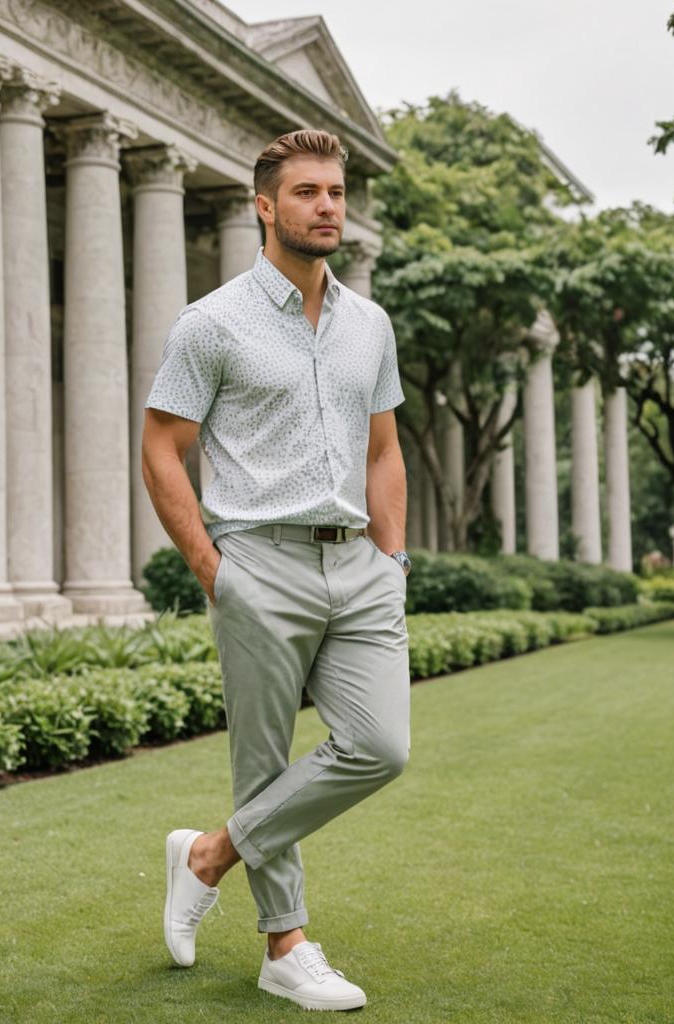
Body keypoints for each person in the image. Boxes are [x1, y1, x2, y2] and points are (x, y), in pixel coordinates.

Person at [141, 128, 412, 1013]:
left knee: (379, 747)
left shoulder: (370, 323)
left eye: (336, 192)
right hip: (260, 561)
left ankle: (208, 854)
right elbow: (161, 448)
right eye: (307, 192)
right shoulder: (211, 323)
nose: (328, 206)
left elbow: (384, 448)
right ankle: (284, 948)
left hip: (360, 569)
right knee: (263, 764)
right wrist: (215, 569)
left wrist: (393, 557)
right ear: (265, 205)